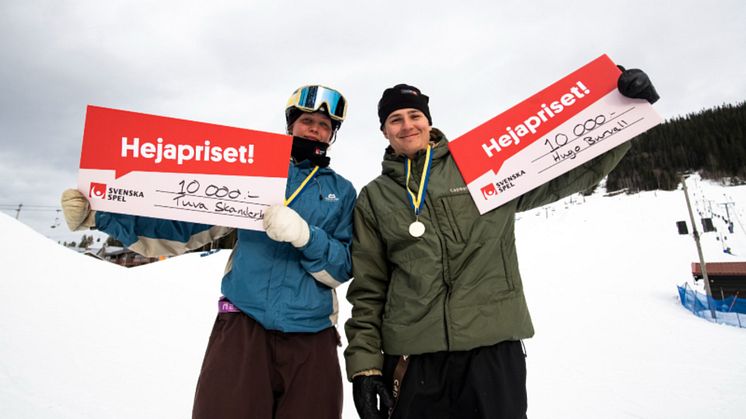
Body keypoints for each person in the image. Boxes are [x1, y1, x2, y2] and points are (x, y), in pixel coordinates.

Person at [344, 70, 659, 419]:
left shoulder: (478, 166)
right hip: (415, 357)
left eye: (414, 115)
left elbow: (566, 172)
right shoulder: (373, 198)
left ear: (429, 122)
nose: (407, 125)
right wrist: (365, 368)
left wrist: (631, 112)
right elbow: (369, 288)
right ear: (384, 131)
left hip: (492, 350)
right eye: (395, 119)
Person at [61, 85, 357, 419]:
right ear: (290, 124)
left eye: (325, 125)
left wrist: (306, 236)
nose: (315, 129)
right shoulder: (254, 169)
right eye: (307, 120)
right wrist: (100, 216)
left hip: (312, 334)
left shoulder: (342, 191)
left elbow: (342, 266)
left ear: (333, 135)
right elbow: (183, 224)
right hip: (244, 324)